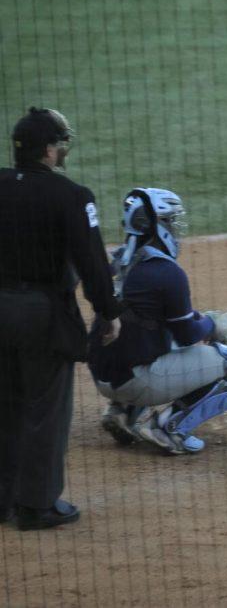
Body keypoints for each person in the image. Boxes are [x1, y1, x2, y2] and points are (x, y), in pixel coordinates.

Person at [0, 107, 122, 530]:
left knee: (4, 405)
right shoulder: (71, 196)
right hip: (40, 315)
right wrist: (107, 312)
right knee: (45, 410)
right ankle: (36, 506)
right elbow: (92, 263)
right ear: (48, 151)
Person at [87, 187, 227, 456]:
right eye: (170, 221)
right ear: (155, 225)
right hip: (137, 381)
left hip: (102, 376)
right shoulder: (167, 273)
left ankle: (121, 412)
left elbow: (155, 319)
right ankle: (168, 428)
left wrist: (203, 320)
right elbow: (188, 334)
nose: (176, 229)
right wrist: (214, 325)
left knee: (147, 332)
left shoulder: (118, 262)